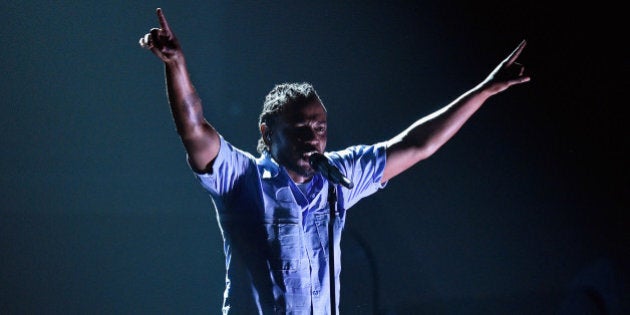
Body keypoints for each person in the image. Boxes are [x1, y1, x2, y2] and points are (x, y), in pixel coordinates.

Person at [138, 7, 530, 315]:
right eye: (300, 129)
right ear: (267, 133)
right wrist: (177, 66)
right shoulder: (241, 178)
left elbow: (417, 145)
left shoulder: (338, 176)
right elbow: (195, 131)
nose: (313, 138)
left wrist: (486, 89)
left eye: (320, 127)